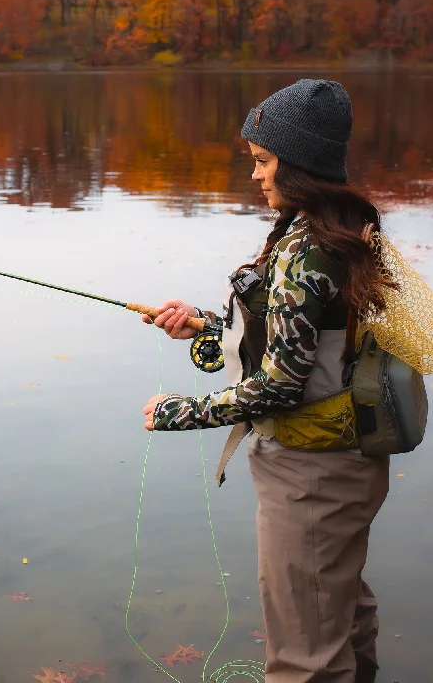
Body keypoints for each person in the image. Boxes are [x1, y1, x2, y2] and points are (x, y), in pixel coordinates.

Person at [142, 79, 390, 683]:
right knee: (339, 608)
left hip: (313, 475)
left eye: (263, 161)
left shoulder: (307, 253)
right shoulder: (341, 226)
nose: (255, 175)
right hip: (349, 461)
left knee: (305, 657)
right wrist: (205, 323)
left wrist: (179, 412)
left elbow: (281, 385)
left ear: (299, 165)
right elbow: (308, 337)